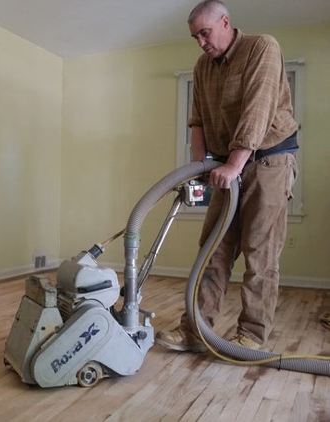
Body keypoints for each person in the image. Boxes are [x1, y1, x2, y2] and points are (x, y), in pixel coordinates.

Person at [156, 0, 299, 352]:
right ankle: (195, 330)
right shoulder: (203, 66)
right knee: (212, 251)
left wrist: (234, 164)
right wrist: (198, 168)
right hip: (224, 167)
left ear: (225, 22)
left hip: (268, 162)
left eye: (205, 33)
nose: (201, 42)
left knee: (259, 253)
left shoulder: (261, 47)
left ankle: (250, 337)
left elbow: (258, 109)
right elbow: (198, 120)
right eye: (195, 37)